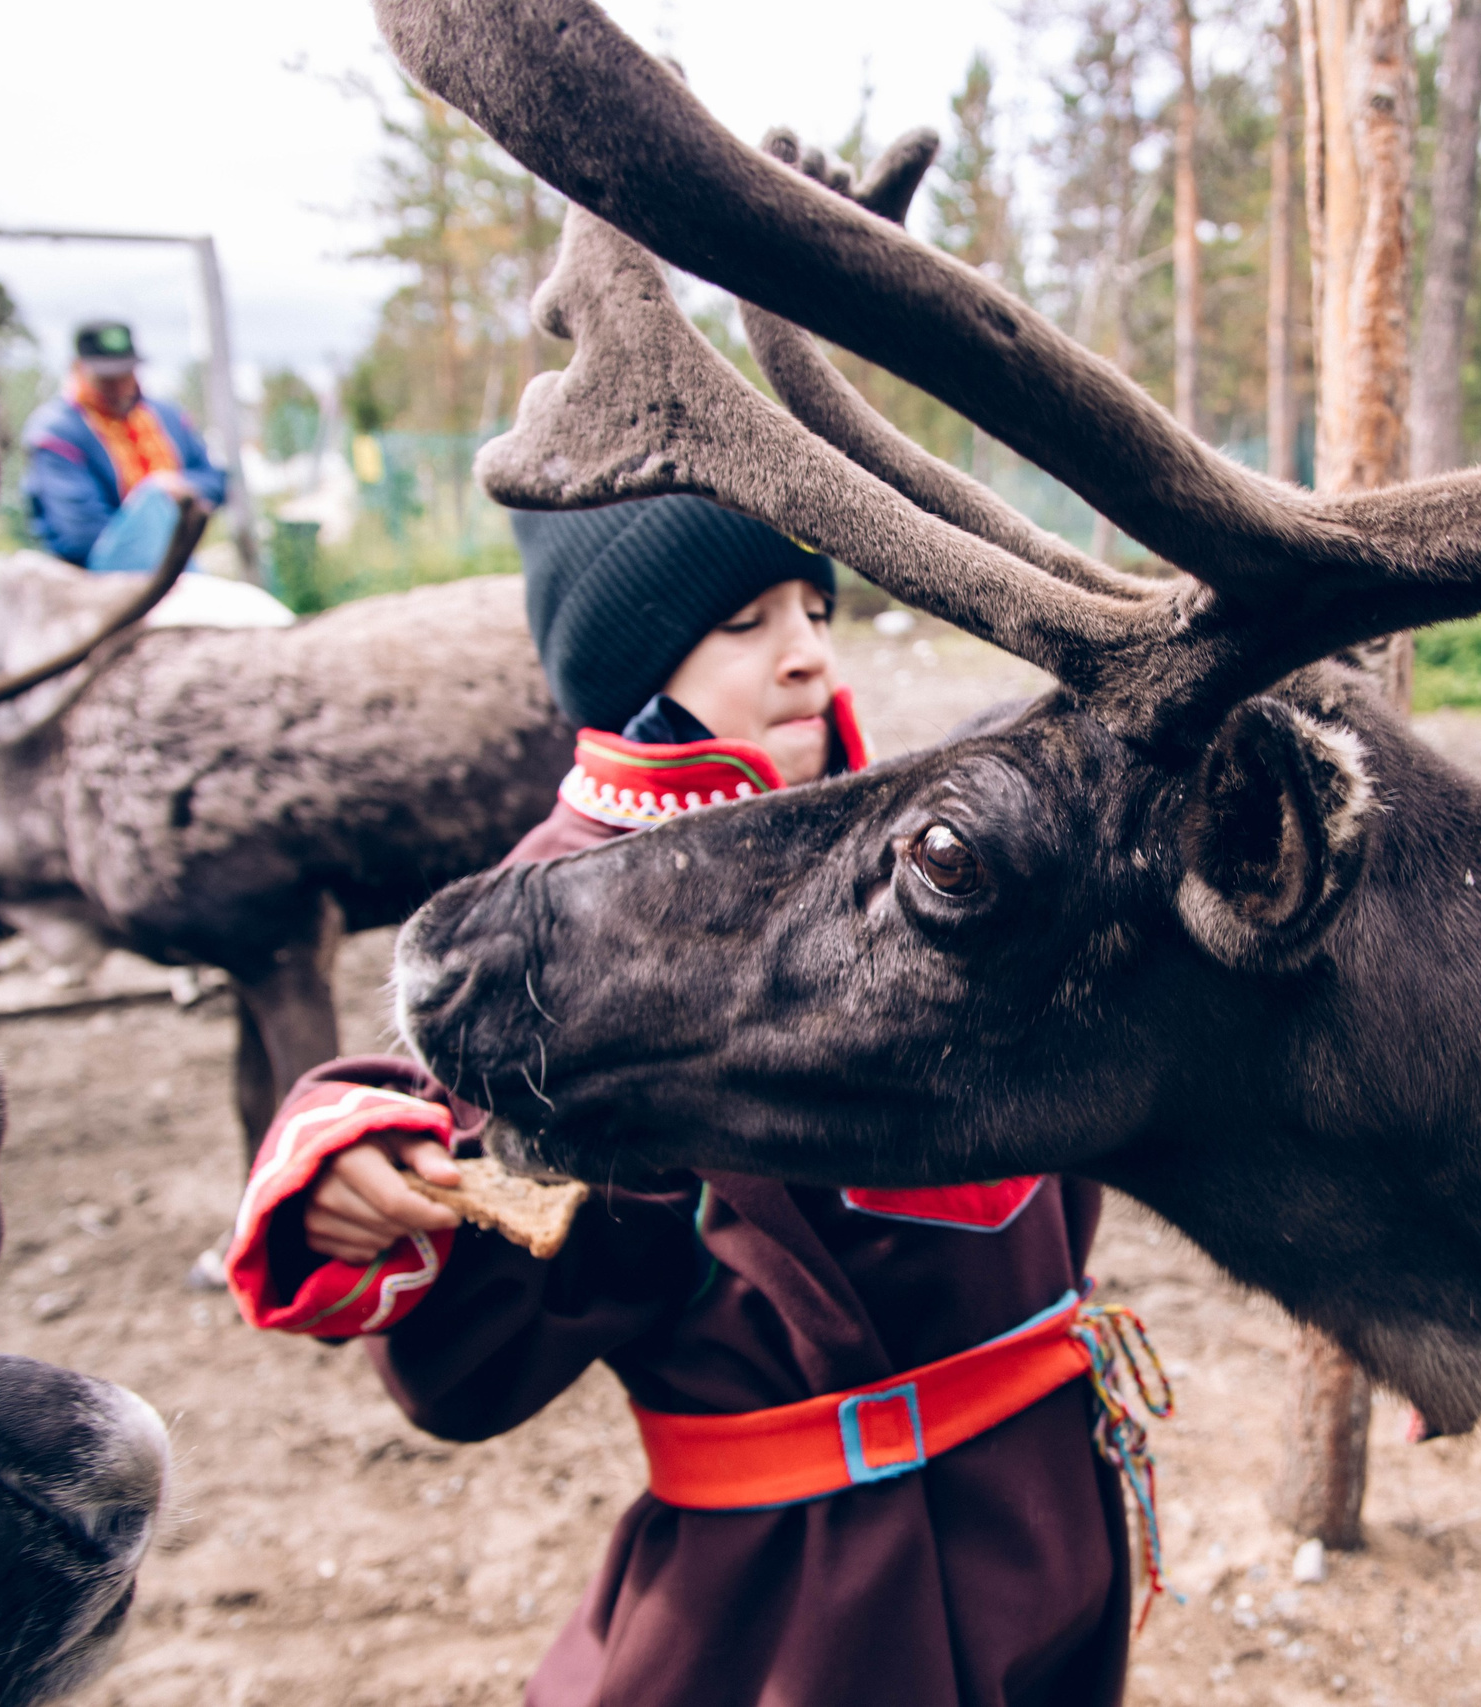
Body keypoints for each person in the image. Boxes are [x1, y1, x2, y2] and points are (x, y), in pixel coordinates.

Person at [224, 495, 1172, 1707]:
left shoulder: (927, 851)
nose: (807, 652)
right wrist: (369, 1175)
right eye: (743, 621)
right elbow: (474, 1333)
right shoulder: (547, 929)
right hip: (822, 1589)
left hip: (1044, 1499)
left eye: (816, 609)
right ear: (630, 672)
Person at [20, 320, 223, 571]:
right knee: (153, 497)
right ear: (78, 369)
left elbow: (215, 481)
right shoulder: (57, 433)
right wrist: (153, 499)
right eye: (106, 378)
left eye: (125, 374)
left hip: (175, 558)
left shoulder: (166, 416)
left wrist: (181, 487)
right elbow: (80, 535)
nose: (118, 387)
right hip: (100, 573)